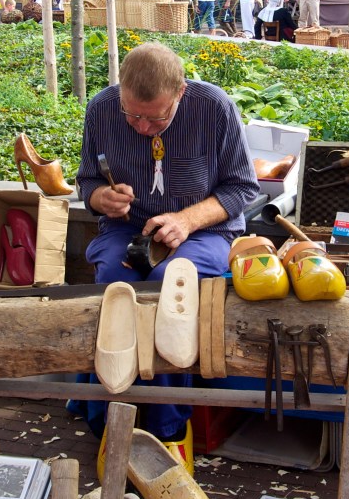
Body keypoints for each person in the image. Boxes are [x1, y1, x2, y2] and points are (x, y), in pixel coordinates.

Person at [75, 41, 258, 451]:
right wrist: (101, 198)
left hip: (206, 231)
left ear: (180, 92)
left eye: (156, 117)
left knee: (170, 285)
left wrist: (186, 220)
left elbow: (242, 188)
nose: (142, 127)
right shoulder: (102, 108)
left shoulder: (215, 108)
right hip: (129, 228)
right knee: (114, 282)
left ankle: (166, 427)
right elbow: (87, 179)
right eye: (132, 114)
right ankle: (108, 416)